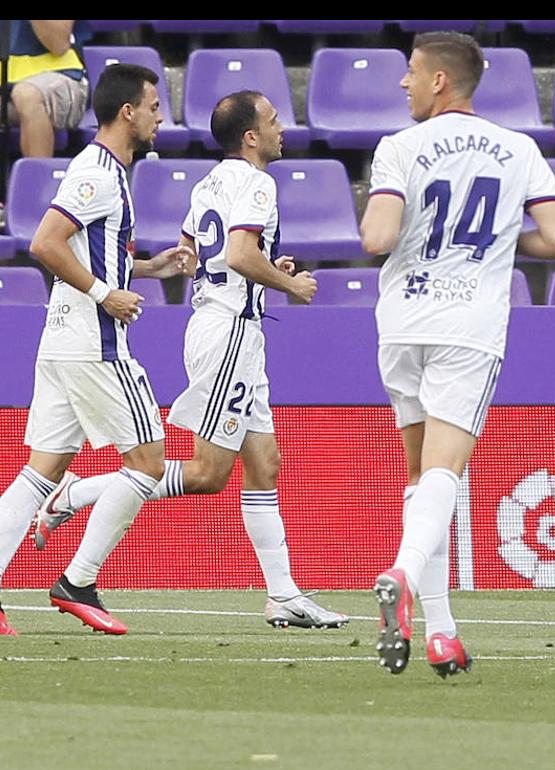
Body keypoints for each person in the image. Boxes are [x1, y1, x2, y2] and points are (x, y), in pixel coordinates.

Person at [34, 90, 348, 630]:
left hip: (231, 330)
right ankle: (77, 494)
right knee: (207, 474)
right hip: (229, 334)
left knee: (264, 465)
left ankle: (284, 595)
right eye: (273, 121)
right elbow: (240, 254)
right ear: (250, 136)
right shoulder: (256, 183)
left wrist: (263, 267)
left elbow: (194, 248)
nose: (282, 129)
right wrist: (288, 282)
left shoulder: (209, 182)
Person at [358, 32, 555, 676]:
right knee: (444, 477)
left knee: (421, 478)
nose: (403, 84)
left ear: (439, 82)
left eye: (411, 74)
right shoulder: (520, 149)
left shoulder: (399, 147)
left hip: (401, 324)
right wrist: (502, 241)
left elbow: (377, 237)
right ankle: (400, 571)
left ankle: (442, 633)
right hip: (468, 327)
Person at [0, 63, 190, 636]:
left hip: (62, 337)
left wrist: (149, 267)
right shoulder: (99, 173)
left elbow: (89, 250)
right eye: (154, 107)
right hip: (93, 342)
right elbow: (45, 242)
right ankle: (77, 580)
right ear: (128, 111)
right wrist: (107, 294)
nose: (161, 117)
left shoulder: (106, 172)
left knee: (39, 473)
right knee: (147, 464)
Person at [4, 21, 92, 158]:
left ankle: (39, 177)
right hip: (6, 81)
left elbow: (58, 44)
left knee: (26, 95)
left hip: (60, 76)